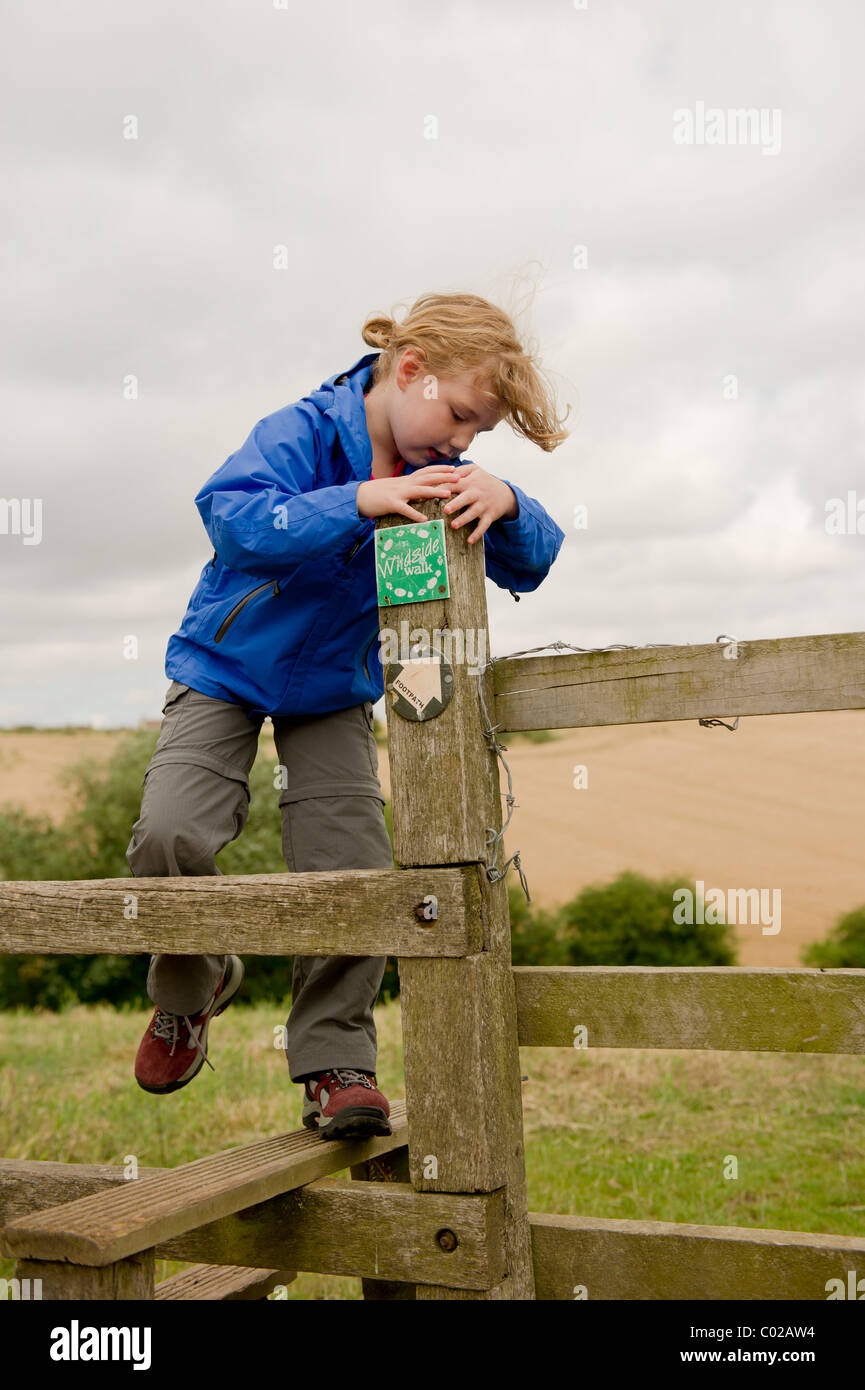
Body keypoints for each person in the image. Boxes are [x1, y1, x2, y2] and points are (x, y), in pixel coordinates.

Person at [126, 290, 569, 1140]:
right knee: (170, 834)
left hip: (333, 686)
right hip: (224, 666)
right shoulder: (301, 430)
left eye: (480, 434)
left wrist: (507, 499)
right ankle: (190, 991)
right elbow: (231, 516)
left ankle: (336, 1064)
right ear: (410, 371)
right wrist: (355, 501)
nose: (463, 441)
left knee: (350, 866)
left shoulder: (442, 474)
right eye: (463, 418)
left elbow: (533, 562)